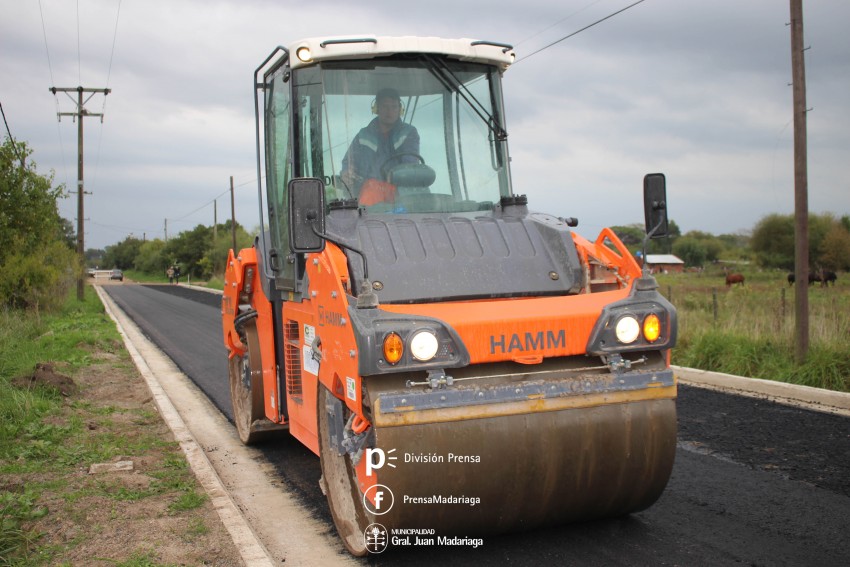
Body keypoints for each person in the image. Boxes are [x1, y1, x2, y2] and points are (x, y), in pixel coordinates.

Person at [339, 88, 420, 200]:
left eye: (394, 107)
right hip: (366, 199)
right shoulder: (363, 135)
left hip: (399, 197)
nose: (389, 111)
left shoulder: (408, 133)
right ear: (377, 108)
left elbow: (410, 165)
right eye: (385, 106)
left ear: (400, 109)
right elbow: (349, 161)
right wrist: (347, 172)